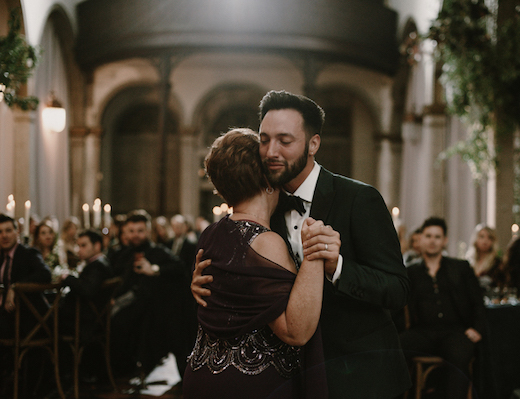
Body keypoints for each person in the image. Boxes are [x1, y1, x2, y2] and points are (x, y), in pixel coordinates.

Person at [192, 90, 411, 399]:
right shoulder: (264, 206)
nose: (271, 151)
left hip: (359, 374)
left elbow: (397, 289)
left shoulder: (359, 199)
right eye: (265, 139)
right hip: (295, 378)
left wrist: (338, 267)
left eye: (285, 141)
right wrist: (207, 286)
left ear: (313, 144)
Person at [183, 128, 327, 399]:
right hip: (251, 384)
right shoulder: (265, 242)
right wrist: (314, 252)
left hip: (203, 375)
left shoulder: (210, 233)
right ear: (267, 177)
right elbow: (295, 332)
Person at [400, 217, 485, 399]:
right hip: (422, 332)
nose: (432, 241)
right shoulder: (410, 272)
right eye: (428, 236)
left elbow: (478, 301)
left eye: (437, 237)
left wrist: (477, 328)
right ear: (420, 239)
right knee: (393, 349)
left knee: (460, 356)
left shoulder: (460, 268)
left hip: (454, 332)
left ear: (444, 241)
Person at [110, 210, 189, 380]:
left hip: (158, 311)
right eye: (131, 231)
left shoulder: (158, 252)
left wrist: (154, 269)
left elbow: (180, 268)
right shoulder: (123, 254)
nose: (135, 235)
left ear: (147, 231)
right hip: (133, 308)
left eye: (140, 231)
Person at [0, 214, 52, 335]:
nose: (4, 235)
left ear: (17, 232)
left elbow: (45, 274)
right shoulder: (1, 257)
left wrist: (15, 286)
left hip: (27, 316)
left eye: (8, 230)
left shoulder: (29, 253)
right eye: (0, 232)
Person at [59, 229, 113, 335]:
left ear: (97, 246)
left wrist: (67, 278)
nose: (79, 250)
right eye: (78, 246)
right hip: (84, 317)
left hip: (84, 321)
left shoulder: (98, 265)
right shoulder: (98, 263)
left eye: (83, 245)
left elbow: (87, 289)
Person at [464, 224, 504, 290]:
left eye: (489, 238)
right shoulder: (468, 261)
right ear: (476, 239)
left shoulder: (496, 263)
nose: (485, 241)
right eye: (482, 237)